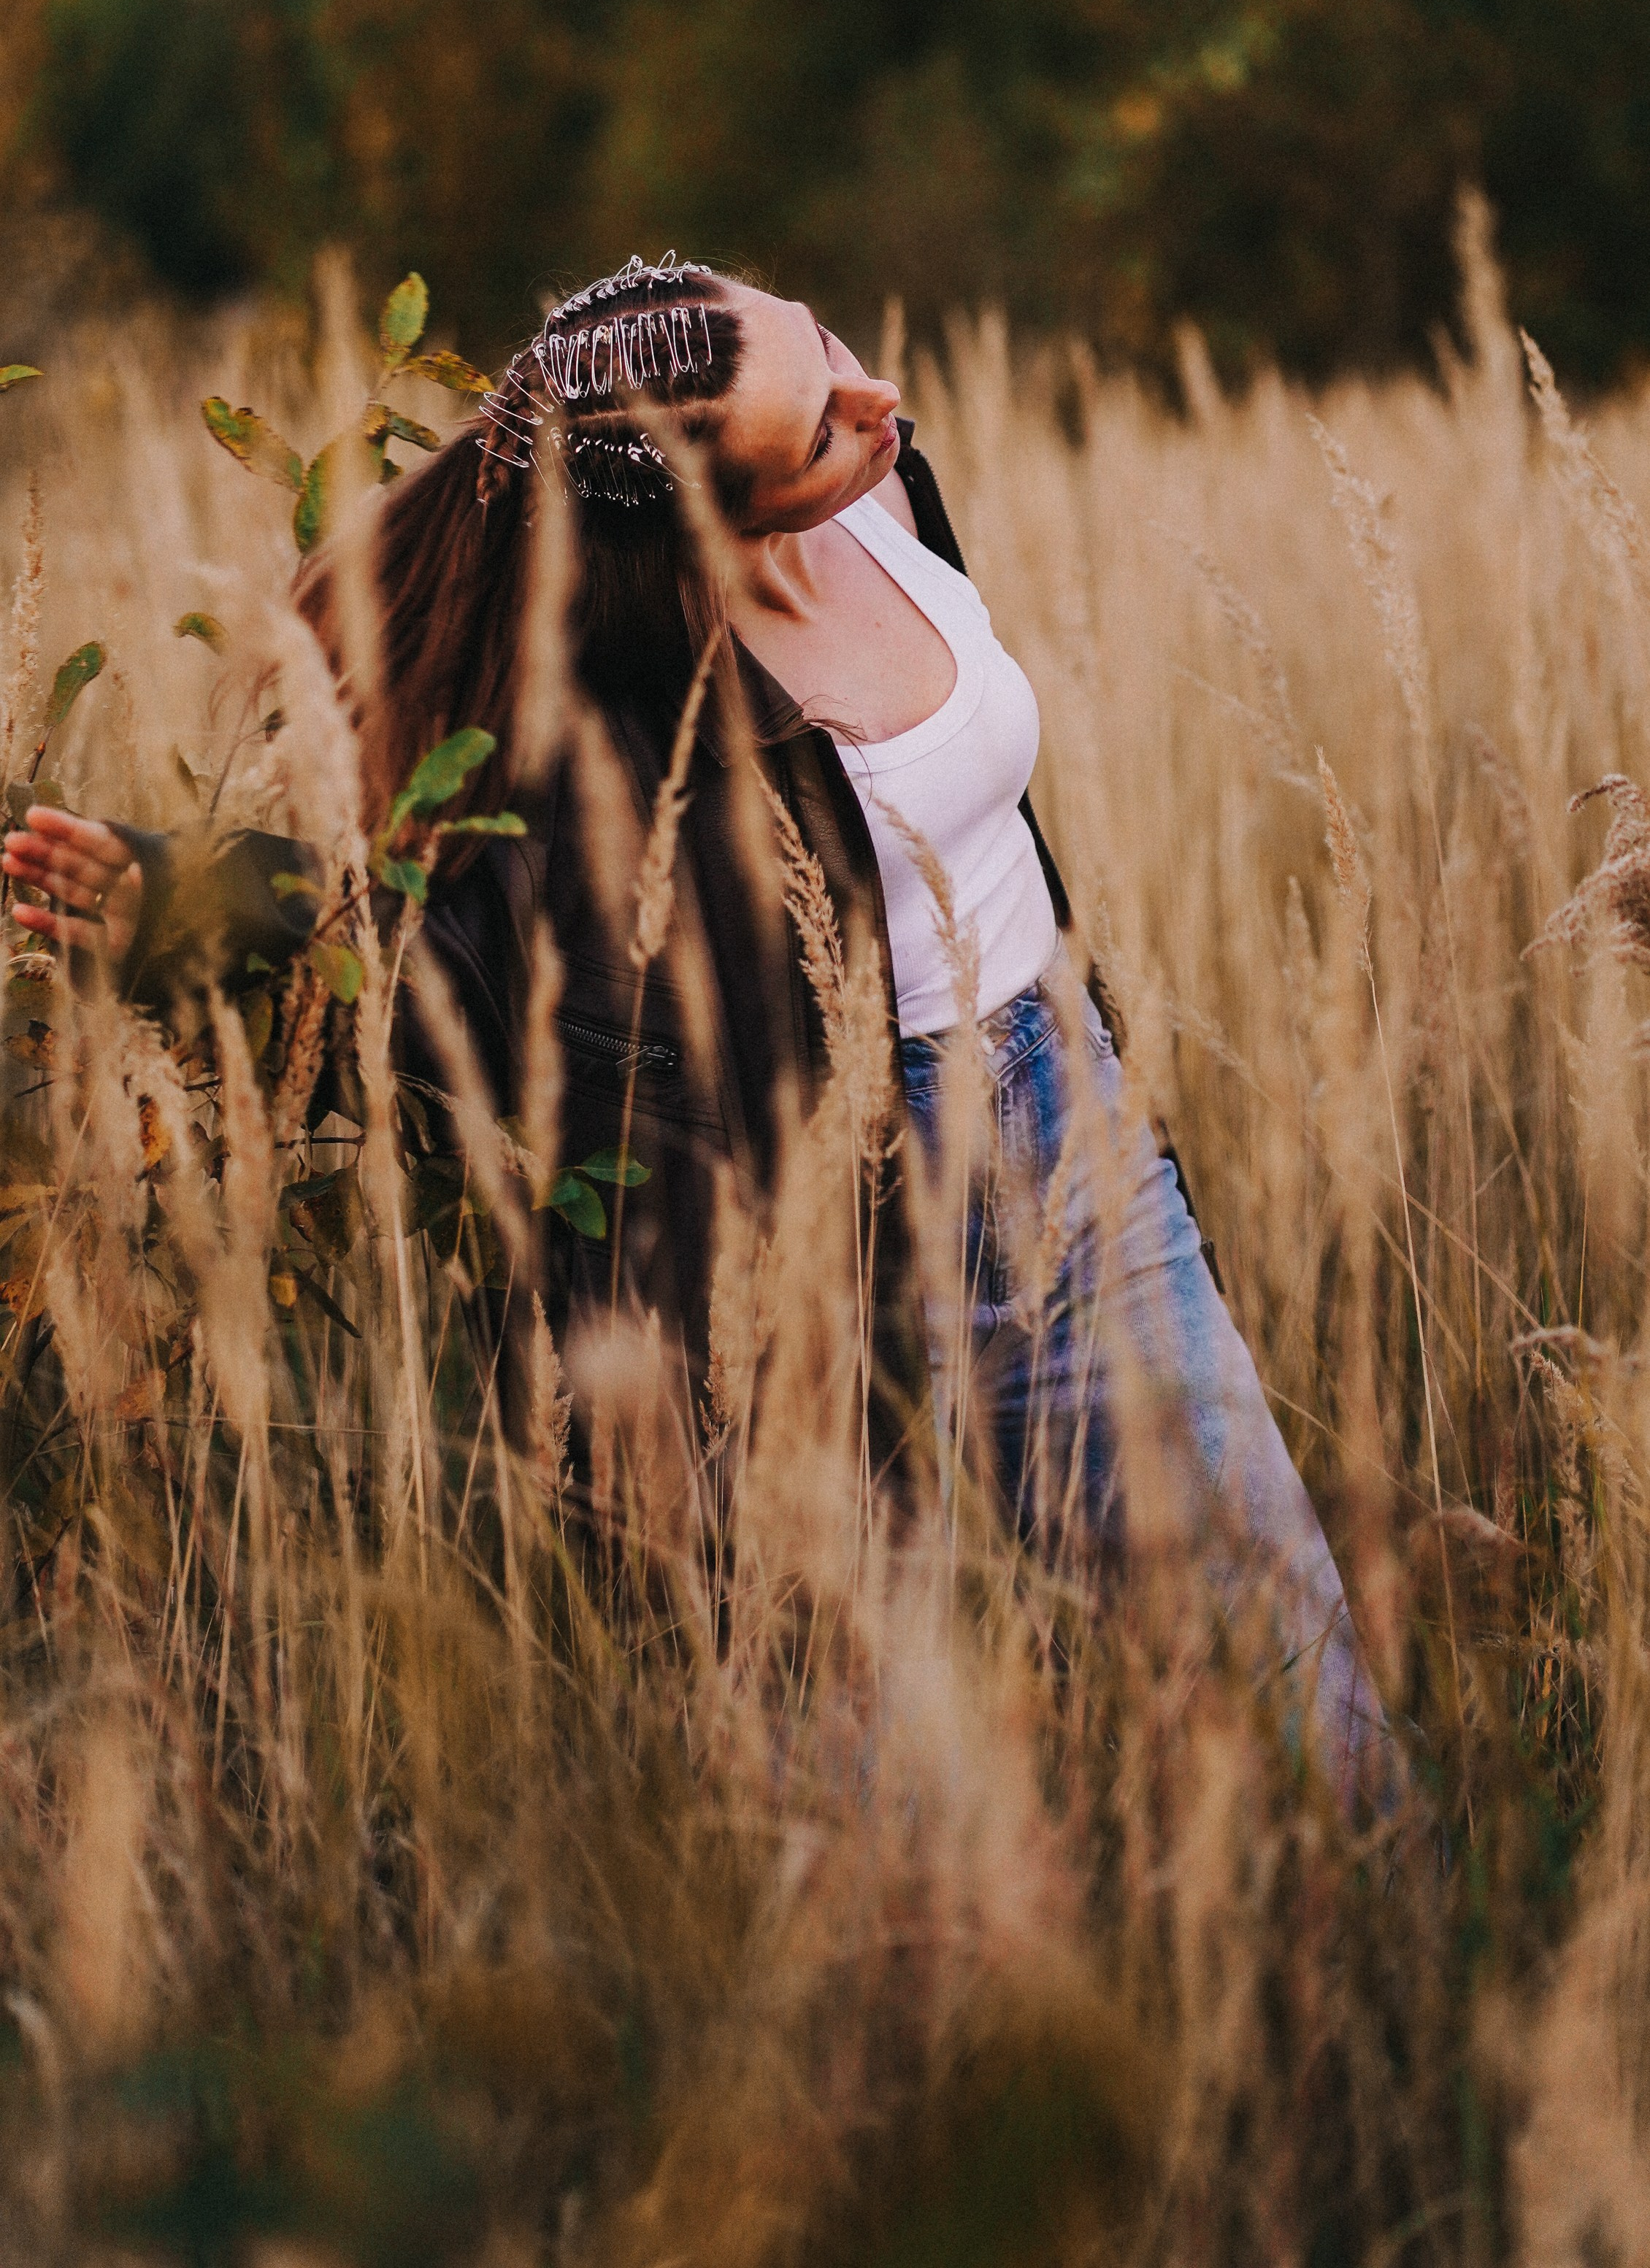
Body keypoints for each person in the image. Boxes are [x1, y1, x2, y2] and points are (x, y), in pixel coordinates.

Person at [2, 253, 1386, 1802]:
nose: (877, 408)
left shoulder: (884, 490)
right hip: (831, 1198)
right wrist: (197, 902)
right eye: (815, 433)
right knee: (872, 1757)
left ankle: (1377, 1951)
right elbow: (448, 958)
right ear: (710, 520)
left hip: (1074, 1129)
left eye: (828, 351)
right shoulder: (627, 715)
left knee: (1272, 1626)